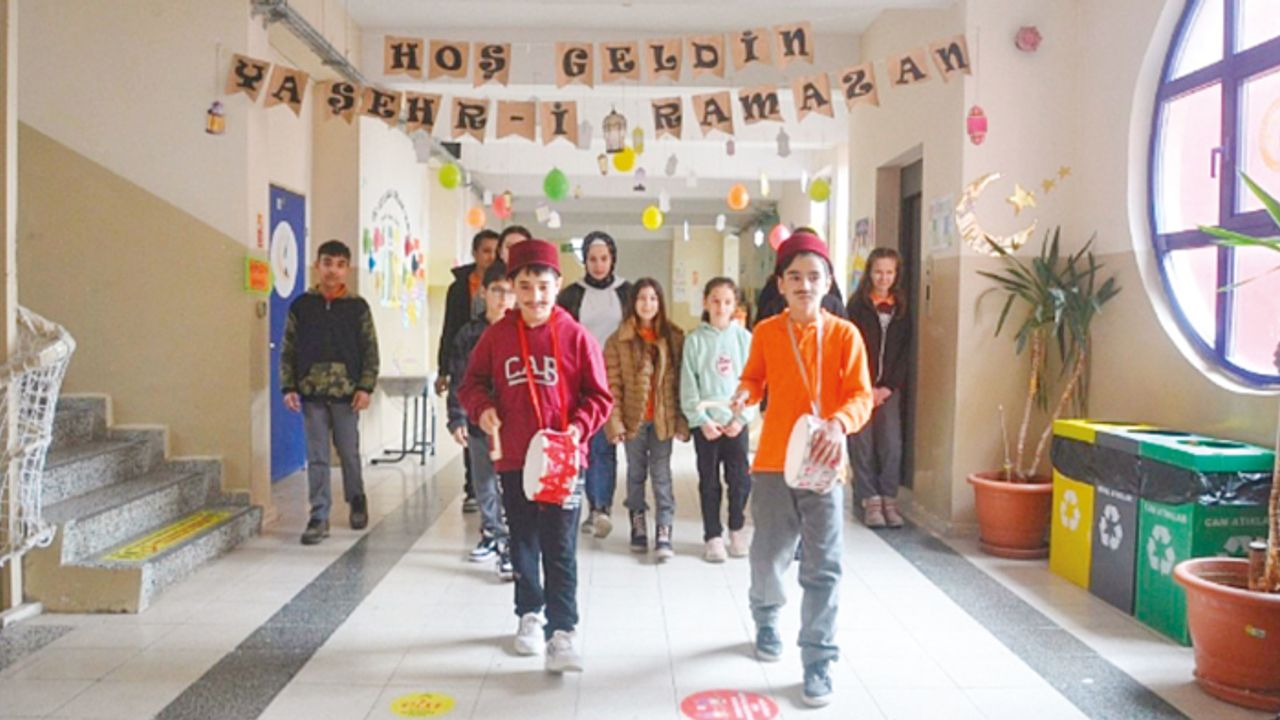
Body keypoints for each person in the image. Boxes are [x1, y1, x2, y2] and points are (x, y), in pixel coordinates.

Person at [730, 230, 874, 707]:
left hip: (825, 466)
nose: (804, 285)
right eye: (795, 277)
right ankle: (766, 616)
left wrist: (839, 422)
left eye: (814, 276)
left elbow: (860, 395)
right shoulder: (767, 332)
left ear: (828, 281)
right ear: (781, 283)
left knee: (823, 565)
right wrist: (744, 394)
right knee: (768, 553)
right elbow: (754, 377)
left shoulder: (845, 335)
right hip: (774, 461)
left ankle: (818, 659)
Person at [458, 239, 612, 673]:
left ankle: (562, 631)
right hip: (514, 459)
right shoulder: (497, 336)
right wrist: (483, 409)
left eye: (543, 286)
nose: (535, 297)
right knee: (522, 539)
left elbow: (600, 397)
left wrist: (578, 428)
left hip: (563, 462)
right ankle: (529, 612)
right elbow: (471, 385)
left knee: (559, 545)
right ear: (512, 287)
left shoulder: (576, 337)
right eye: (524, 287)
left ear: (558, 285)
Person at [281, 240, 380, 546]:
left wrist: (365, 387)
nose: (332, 271)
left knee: (348, 452)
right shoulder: (301, 306)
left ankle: (357, 499)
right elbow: (288, 349)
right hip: (311, 393)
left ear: (347, 269)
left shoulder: (357, 307)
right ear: (317, 266)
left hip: (347, 395)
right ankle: (319, 514)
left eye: (339, 265)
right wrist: (288, 386)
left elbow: (370, 350)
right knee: (317, 456)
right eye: (327, 263)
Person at [604, 278, 688, 560]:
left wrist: (681, 422)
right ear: (633, 303)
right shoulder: (618, 340)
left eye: (653, 298)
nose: (647, 304)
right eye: (642, 298)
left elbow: (682, 384)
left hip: (663, 420)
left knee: (662, 475)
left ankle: (664, 529)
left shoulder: (674, 337)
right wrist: (614, 424)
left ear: (660, 302)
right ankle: (637, 524)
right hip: (633, 422)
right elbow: (612, 386)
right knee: (636, 474)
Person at [556, 231, 631, 539]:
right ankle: (583, 505)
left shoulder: (627, 291)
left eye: (604, 259)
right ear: (584, 261)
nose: (598, 265)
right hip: (578, 377)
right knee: (581, 441)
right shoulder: (571, 295)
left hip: (614, 376)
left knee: (605, 445)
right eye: (592, 259)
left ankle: (601, 508)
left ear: (613, 259)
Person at [448, 262, 516, 578]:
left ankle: (512, 539)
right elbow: (459, 378)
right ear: (483, 292)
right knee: (484, 480)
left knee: (512, 482)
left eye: (510, 292)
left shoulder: (521, 332)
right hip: (478, 420)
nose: (504, 298)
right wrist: (457, 417)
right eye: (497, 291)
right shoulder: (469, 334)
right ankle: (491, 534)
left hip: (514, 424)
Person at [680, 277, 756, 563]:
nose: (721, 307)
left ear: (735, 305)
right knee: (709, 481)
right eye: (715, 301)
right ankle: (713, 535)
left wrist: (742, 418)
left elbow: (755, 383)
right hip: (707, 426)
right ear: (705, 303)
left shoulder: (745, 339)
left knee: (739, 480)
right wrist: (700, 419)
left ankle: (736, 529)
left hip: (735, 423)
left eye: (727, 302)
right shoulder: (694, 341)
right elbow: (689, 386)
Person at [436, 229, 500, 514]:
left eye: (495, 251)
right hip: (467, 356)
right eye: (485, 251)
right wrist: (443, 369)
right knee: (471, 430)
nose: (491, 256)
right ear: (475, 253)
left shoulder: (505, 284)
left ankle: (495, 497)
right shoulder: (460, 287)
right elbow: (449, 329)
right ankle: (472, 488)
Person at [846, 248, 911, 529]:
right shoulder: (856, 306)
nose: (883, 278)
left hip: (889, 390)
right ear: (869, 273)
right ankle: (869, 498)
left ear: (896, 274)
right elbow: (851, 348)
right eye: (878, 272)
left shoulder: (902, 308)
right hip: (860, 387)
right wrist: (865, 387)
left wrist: (888, 387)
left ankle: (888, 498)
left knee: (891, 444)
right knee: (862, 443)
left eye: (889, 272)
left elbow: (905, 352)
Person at [754, 229, 845, 325]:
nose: (805, 287)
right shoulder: (765, 328)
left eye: (814, 278)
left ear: (827, 284)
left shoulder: (844, 330)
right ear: (781, 284)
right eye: (796, 278)